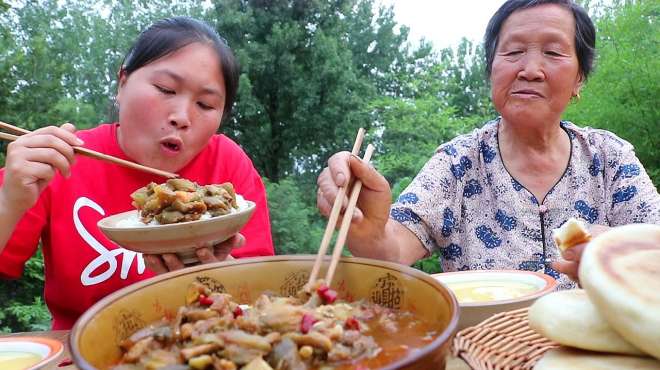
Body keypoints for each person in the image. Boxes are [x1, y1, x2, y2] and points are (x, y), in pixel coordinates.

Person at [316, 0, 659, 287]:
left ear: (579, 78)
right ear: (492, 69)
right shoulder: (457, 163)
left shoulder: (610, 158)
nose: (530, 69)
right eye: (513, 52)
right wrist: (366, 226)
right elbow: (391, 251)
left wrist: (620, 246)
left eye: (553, 52)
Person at [0, 17, 274, 329]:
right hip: (79, 354)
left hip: (203, 348)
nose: (182, 117)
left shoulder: (227, 166)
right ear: (122, 83)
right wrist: (9, 202)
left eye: (205, 104)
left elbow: (259, 298)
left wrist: (222, 275)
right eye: (165, 89)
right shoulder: (61, 160)